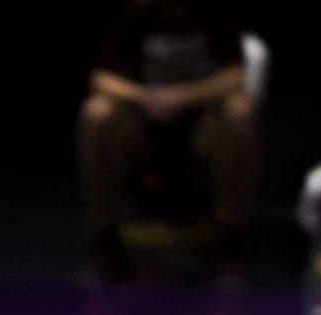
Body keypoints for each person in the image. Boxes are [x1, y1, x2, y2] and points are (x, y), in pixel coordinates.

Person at [77, 0, 256, 281]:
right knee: (96, 113)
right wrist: (146, 97)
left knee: (238, 112)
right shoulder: (135, 14)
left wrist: (183, 97)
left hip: (201, 125)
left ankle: (229, 238)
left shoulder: (216, 14)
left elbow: (236, 76)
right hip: (141, 123)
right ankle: (105, 237)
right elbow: (100, 77)